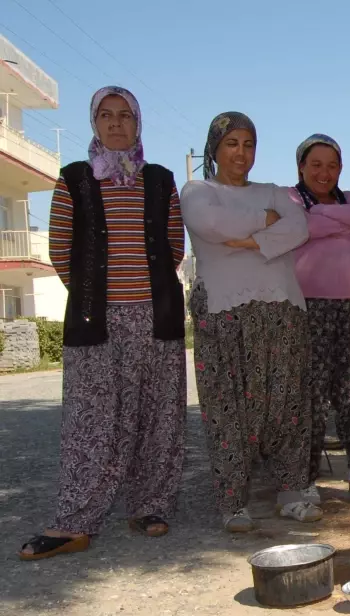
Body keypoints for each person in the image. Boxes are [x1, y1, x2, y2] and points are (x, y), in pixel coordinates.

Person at [20, 86, 187, 561]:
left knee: (159, 415)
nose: (116, 124)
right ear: (94, 124)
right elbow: (60, 252)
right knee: (91, 421)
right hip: (97, 321)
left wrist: (139, 299)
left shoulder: (159, 180)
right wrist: (101, 300)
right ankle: (75, 520)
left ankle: (151, 506)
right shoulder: (73, 179)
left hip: (156, 317)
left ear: (137, 124)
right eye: (107, 116)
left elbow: (173, 248)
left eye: (125, 116)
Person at [180, 112, 320, 532]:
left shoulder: (275, 192)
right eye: (232, 144)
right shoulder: (197, 190)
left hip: (282, 311)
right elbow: (210, 224)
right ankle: (233, 503)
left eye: (248, 144)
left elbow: (300, 227)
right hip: (224, 312)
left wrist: (244, 241)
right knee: (229, 409)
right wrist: (264, 229)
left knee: (287, 405)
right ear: (215, 148)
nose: (241, 153)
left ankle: (292, 494)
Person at [288, 134, 350, 501]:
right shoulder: (290, 198)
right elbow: (302, 228)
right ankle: (305, 478)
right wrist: (341, 222)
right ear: (301, 166)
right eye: (316, 164)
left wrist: (322, 213)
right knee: (310, 395)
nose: (324, 172)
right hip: (309, 306)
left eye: (332, 165)